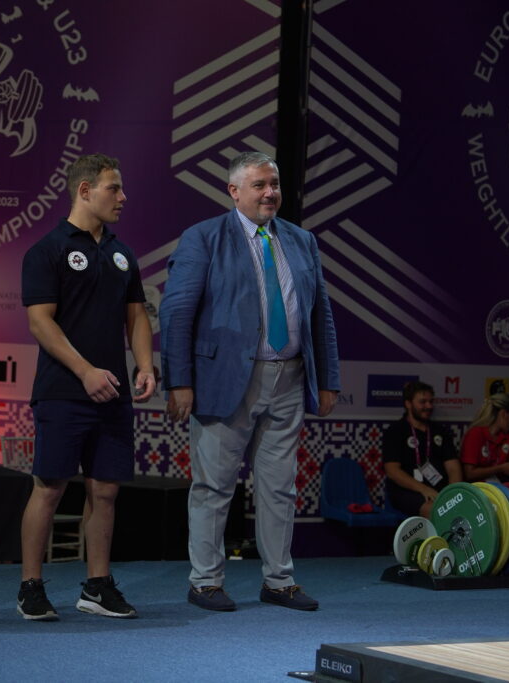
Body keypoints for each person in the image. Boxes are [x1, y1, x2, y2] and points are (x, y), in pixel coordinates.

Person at [160, 151, 340, 612]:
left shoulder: (302, 240)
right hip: (224, 380)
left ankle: (279, 581)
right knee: (214, 487)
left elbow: (320, 314)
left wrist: (328, 379)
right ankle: (205, 582)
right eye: (259, 185)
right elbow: (176, 313)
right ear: (234, 191)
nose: (269, 193)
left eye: (274, 184)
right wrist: (178, 381)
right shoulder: (203, 238)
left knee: (280, 487)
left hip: (290, 377)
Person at [17, 154, 156, 621]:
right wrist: (85, 371)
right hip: (62, 390)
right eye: (113, 188)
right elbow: (41, 322)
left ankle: (97, 586)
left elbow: (136, 315)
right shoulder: (47, 250)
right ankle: (30, 587)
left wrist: (144, 366)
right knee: (49, 488)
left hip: (112, 393)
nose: (123, 197)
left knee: (106, 491)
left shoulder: (122, 253)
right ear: (84, 191)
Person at [383, 382, 462, 518]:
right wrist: (424, 489)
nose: (429, 406)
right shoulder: (395, 431)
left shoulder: (440, 431)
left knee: (462, 508)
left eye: (431, 402)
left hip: (440, 490)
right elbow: (392, 471)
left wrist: (452, 494)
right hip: (408, 491)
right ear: (408, 404)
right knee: (438, 511)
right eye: (423, 402)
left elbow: (453, 468)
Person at [460, 393, 509, 483]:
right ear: (504, 414)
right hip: (476, 489)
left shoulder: (507, 438)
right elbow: (469, 473)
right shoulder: (475, 433)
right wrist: (500, 468)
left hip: (498, 489)